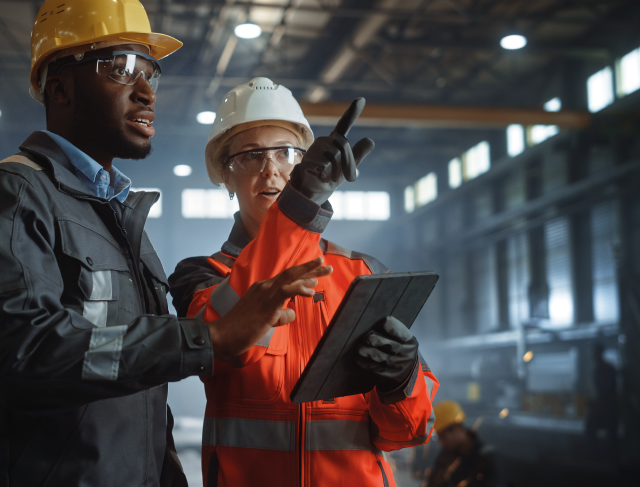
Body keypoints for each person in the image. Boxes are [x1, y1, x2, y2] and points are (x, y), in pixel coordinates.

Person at [0, 2, 330, 486]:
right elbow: (27, 355)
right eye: (121, 69)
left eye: (150, 71)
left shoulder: (120, 220)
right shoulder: (17, 196)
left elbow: (137, 386)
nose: (147, 91)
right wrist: (208, 339)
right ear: (59, 87)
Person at [169, 77, 439, 487]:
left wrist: (401, 379)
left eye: (286, 153)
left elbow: (406, 433)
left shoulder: (363, 273)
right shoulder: (201, 276)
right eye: (250, 155)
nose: (270, 167)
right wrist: (300, 205)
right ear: (225, 176)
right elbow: (226, 349)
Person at [425, 400, 496, 487]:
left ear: (457, 427)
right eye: (438, 438)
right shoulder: (446, 455)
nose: (441, 443)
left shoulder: (486, 461)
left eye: (443, 437)